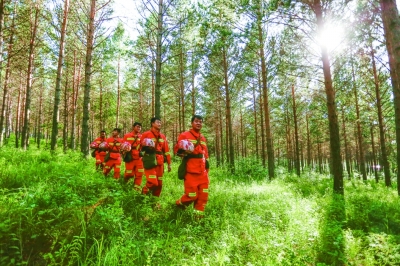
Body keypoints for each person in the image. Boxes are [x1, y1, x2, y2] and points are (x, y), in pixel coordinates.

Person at [174, 115, 209, 216]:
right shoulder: (185, 135)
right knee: (192, 196)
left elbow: (205, 155)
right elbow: (177, 151)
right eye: (196, 121)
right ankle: (179, 204)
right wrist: (183, 151)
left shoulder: (202, 138)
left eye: (201, 122)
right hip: (191, 172)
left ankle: (198, 218)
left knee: (203, 196)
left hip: (203, 173)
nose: (199, 123)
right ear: (192, 123)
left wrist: (207, 170)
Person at [140, 117, 171, 197]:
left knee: (159, 184)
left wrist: (169, 164)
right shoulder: (146, 134)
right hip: (150, 159)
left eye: (160, 122)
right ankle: (143, 195)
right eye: (157, 122)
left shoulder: (163, 136)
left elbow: (166, 151)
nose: (159, 124)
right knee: (153, 181)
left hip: (160, 161)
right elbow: (139, 148)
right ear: (152, 123)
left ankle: (155, 199)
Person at [123, 122, 144, 191]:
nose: (139, 128)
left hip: (139, 157)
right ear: (133, 127)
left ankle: (136, 188)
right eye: (137, 126)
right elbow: (122, 146)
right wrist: (125, 150)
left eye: (140, 127)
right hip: (130, 157)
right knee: (129, 173)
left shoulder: (141, 137)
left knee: (140, 173)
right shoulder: (127, 136)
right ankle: (125, 180)